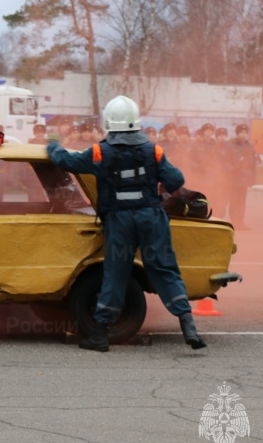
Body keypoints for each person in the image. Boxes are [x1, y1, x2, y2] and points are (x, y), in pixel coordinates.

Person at [46, 95, 206, 352]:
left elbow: (67, 161)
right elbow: (175, 180)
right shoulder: (154, 150)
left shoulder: (100, 152)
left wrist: (53, 145)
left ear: (109, 123)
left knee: (116, 273)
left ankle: (100, 336)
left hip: (120, 222)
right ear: (136, 122)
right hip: (151, 219)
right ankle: (189, 327)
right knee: (165, 270)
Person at [225, 124, 257, 229]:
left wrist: (252, 179)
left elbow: (253, 164)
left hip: (244, 178)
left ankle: (240, 221)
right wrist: (231, 169)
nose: (243, 135)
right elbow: (226, 160)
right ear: (237, 134)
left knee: (242, 201)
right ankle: (234, 221)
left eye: (245, 133)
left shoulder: (249, 147)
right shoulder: (231, 145)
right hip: (234, 178)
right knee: (234, 200)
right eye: (241, 133)